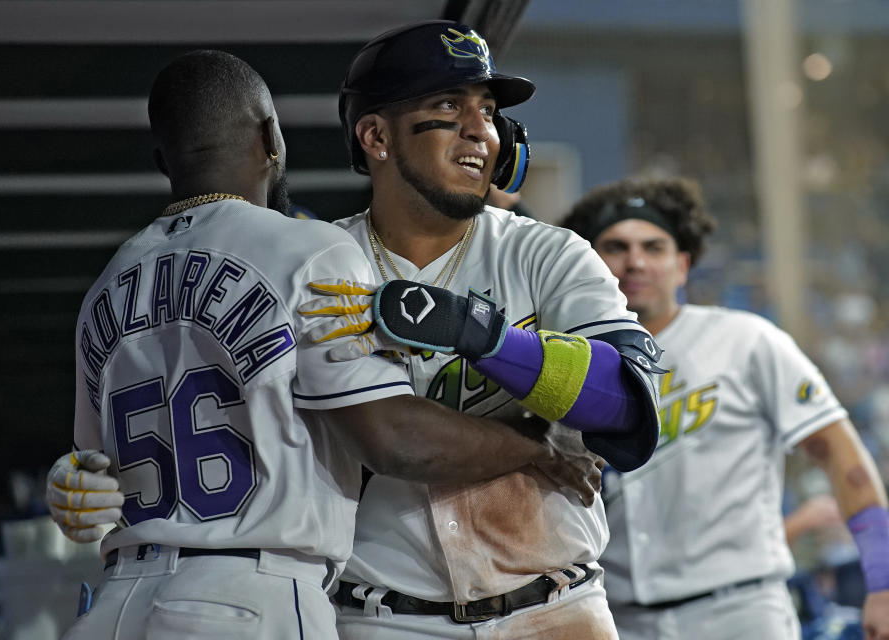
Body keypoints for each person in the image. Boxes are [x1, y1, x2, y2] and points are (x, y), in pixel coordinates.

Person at [52, 49, 594, 640]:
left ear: (162, 159)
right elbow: (393, 438)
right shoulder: (310, 250)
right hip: (251, 593)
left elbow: (91, 471)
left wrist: (72, 485)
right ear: (271, 137)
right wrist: (536, 448)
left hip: (115, 601)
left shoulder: (107, 283)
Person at [298, 20, 663, 639]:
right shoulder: (316, 263)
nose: (480, 130)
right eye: (448, 106)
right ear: (376, 136)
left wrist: (478, 332)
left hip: (557, 609)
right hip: (383, 619)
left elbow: (625, 404)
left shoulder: (548, 254)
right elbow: (383, 439)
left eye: (489, 111)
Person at [560, 177, 889, 640]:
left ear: (683, 265)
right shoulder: (561, 366)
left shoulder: (747, 341)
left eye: (653, 247)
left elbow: (841, 455)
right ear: (589, 263)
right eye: (615, 247)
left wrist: (884, 582)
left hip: (741, 611)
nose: (635, 261)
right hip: (615, 617)